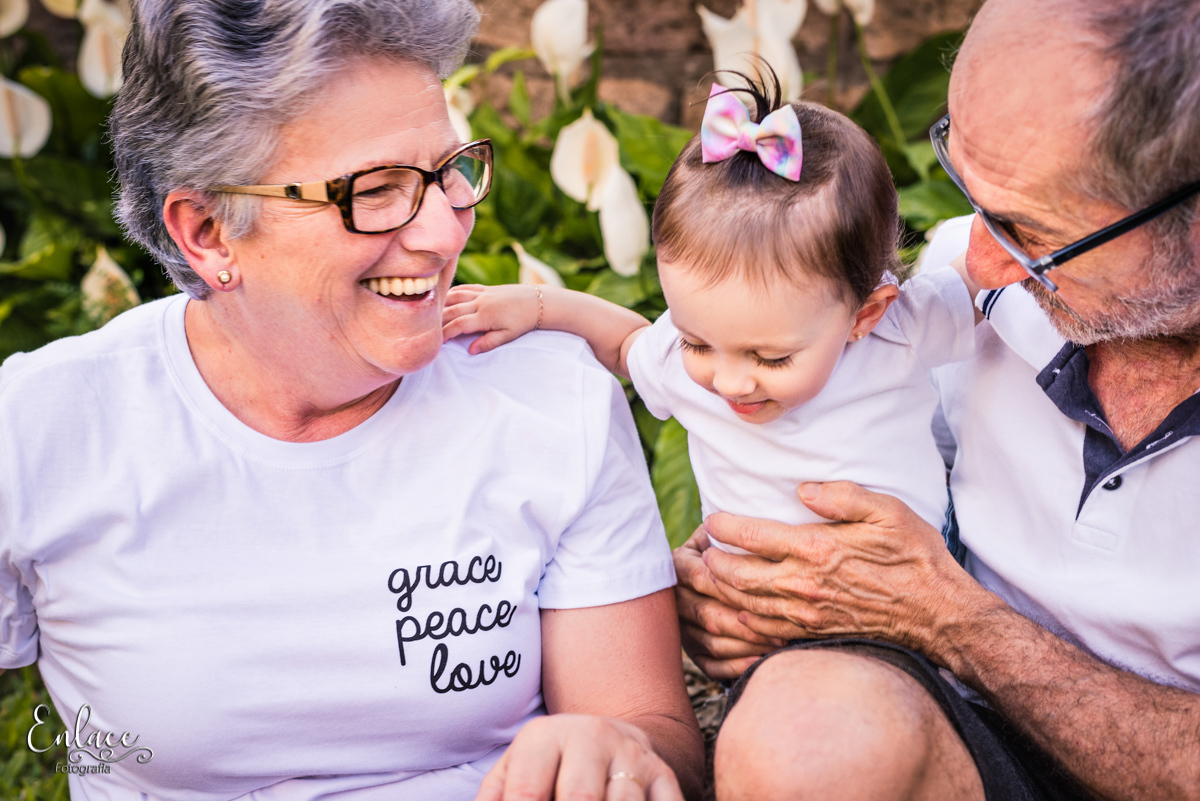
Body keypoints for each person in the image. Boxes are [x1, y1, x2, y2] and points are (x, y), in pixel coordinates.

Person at [0, 2, 704, 800]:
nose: (445, 233)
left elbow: (653, 733)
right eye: (376, 190)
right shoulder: (45, 426)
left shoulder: (547, 397)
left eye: (448, 172)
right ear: (208, 231)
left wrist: (616, 750)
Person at [672, 0, 1200, 799]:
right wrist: (742, 585)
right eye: (965, 184)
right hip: (960, 726)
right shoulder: (959, 297)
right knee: (805, 740)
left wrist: (951, 617)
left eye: (1032, 232)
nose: (975, 261)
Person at [443, 77, 977, 560]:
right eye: (696, 343)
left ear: (865, 314)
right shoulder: (680, 365)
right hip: (754, 603)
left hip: (910, 589)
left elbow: (988, 267)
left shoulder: (899, 328)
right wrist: (539, 306)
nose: (729, 382)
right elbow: (628, 344)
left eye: (770, 357)